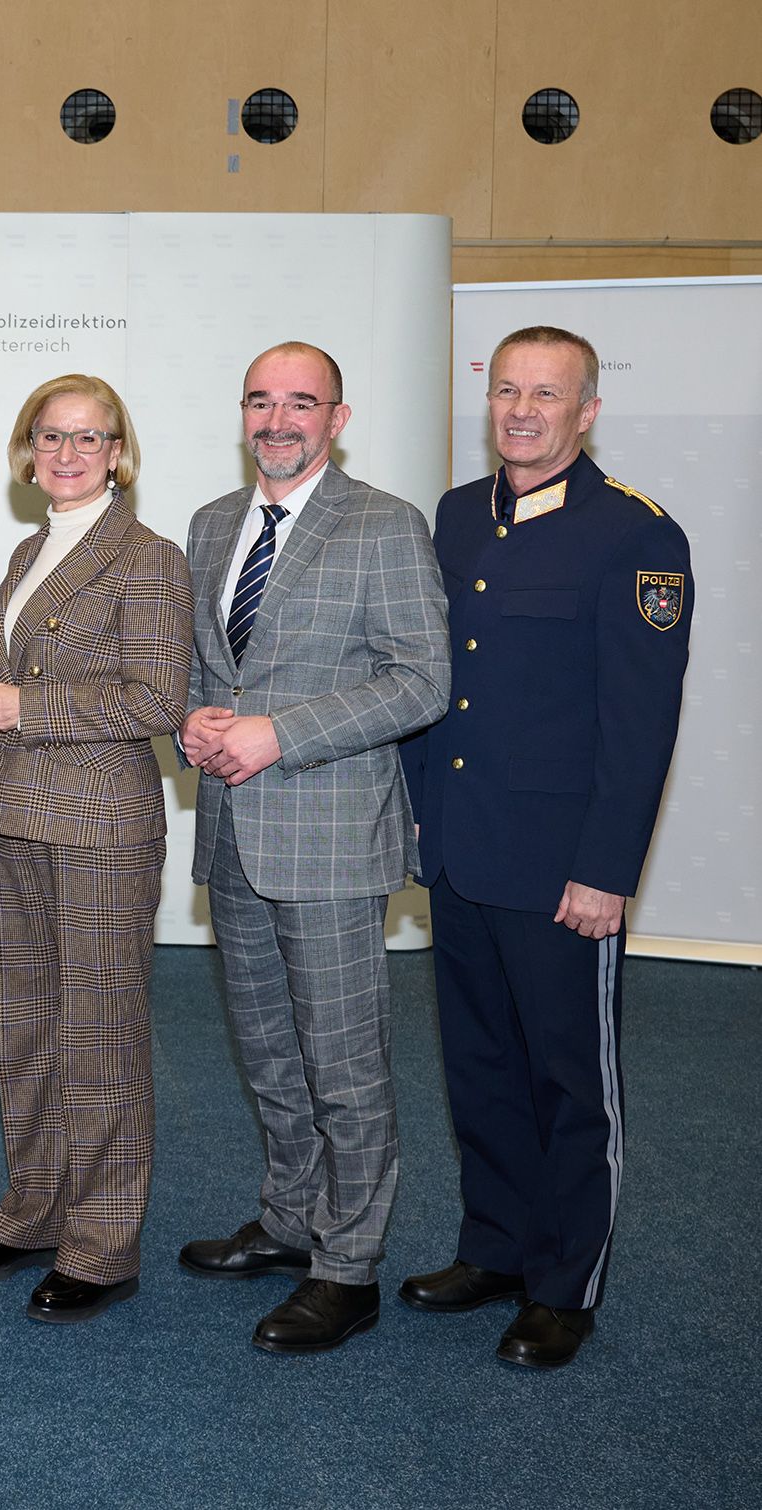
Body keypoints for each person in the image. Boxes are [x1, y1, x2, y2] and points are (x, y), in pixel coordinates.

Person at [400, 326, 691, 1369]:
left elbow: (637, 722)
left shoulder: (632, 537)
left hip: (562, 866)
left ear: (585, 412)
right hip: (461, 850)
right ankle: (494, 1247)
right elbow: (437, 685)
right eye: (506, 391)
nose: (521, 410)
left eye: (545, 395)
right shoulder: (453, 518)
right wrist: (416, 813)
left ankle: (564, 1282)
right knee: (477, 1065)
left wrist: (607, 869)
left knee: (569, 1079)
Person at [176, 341, 449, 1352]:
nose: (275, 419)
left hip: (330, 837)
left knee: (343, 1065)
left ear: (336, 417)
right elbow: (208, 673)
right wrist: (194, 726)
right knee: (268, 1056)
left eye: (299, 402)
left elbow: (419, 681)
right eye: (259, 400)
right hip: (233, 831)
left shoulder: (381, 523)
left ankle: (348, 1265)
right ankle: (290, 1221)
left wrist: (278, 732)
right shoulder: (210, 526)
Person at [0, 376, 194, 1322]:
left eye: (88, 438)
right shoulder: (26, 550)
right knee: (26, 1032)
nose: (67, 453)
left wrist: (34, 709)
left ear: (118, 452)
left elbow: (158, 703)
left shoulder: (149, 559)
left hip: (102, 829)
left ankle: (101, 1243)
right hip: (16, 822)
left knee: (99, 1040)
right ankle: (34, 1208)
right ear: (27, 448)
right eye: (51, 437)